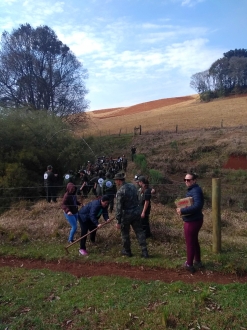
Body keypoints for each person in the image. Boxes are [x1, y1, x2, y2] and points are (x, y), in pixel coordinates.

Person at [113, 172, 149, 258]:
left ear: (119, 180)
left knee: (125, 233)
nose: (115, 182)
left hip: (126, 215)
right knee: (139, 231)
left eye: (116, 181)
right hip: (136, 212)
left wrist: (118, 221)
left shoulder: (120, 191)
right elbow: (138, 199)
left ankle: (127, 251)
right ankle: (145, 252)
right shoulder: (133, 186)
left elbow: (118, 208)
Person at [176, 172, 204, 274]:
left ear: (194, 180)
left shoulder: (195, 191)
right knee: (194, 241)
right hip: (195, 219)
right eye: (185, 180)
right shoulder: (194, 189)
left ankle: (189, 264)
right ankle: (197, 261)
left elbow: (197, 206)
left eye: (189, 180)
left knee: (190, 243)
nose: (186, 182)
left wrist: (182, 211)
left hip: (192, 221)